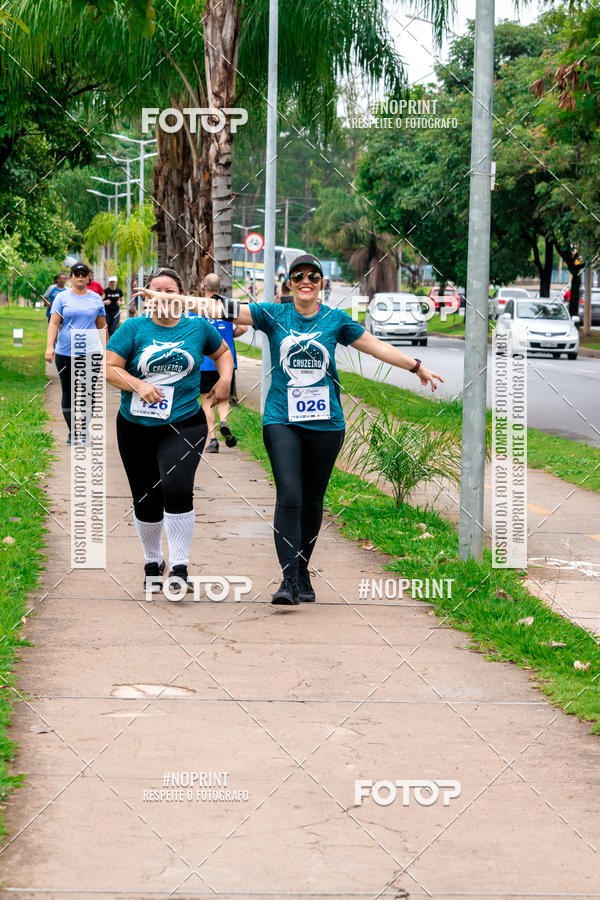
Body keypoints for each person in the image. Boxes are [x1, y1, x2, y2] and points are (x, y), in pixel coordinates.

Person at [134, 253, 443, 607]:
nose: (306, 281)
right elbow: (222, 309)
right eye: (299, 277)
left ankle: (303, 570)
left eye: (313, 276)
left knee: (312, 501)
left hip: (326, 424)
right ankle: (289, 579)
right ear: (290, 284)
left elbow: (376, 346)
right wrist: (171, 298)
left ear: (322, 283)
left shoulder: (335, 320)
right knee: (290, 496)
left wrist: (416, 366)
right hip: (281, 420)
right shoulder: (274, 314)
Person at [105, 266, 233, 597]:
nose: (162, 297)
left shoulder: (198, 327)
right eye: (155, 291)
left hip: (185, 422)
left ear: (181, 295)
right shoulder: (133, 329)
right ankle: (152, 561)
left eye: (170, 291)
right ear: (145, 297)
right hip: (135, 425)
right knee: (146, 496)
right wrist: (138, 385)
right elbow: (108, 367)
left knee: (176, 486)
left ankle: (179, 567)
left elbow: (222, 354)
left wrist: (225, 379)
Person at [45, 263, 107, 445]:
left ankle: (85, 431)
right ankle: (73, 432)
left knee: (88, 392)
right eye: (76, 274)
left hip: (90, 351)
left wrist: (108, 350)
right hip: (66, 352)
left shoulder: (96, 299)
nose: (80, 277)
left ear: (89, 277)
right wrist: (50, 346)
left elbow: (102, 326)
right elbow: (54, 323)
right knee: (69, 392)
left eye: (84, 274)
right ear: (71, 277)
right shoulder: (62, 298)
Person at [199, 273, 248, 453]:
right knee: (223, 398)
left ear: (203, 288)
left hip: (204, 362)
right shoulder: (227, 307)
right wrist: (229, 335)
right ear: (220, 289)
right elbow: (243, 327)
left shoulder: (197, 308)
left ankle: (212, 440)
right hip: (226, 363)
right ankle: (224, 421)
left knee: (207, 400)